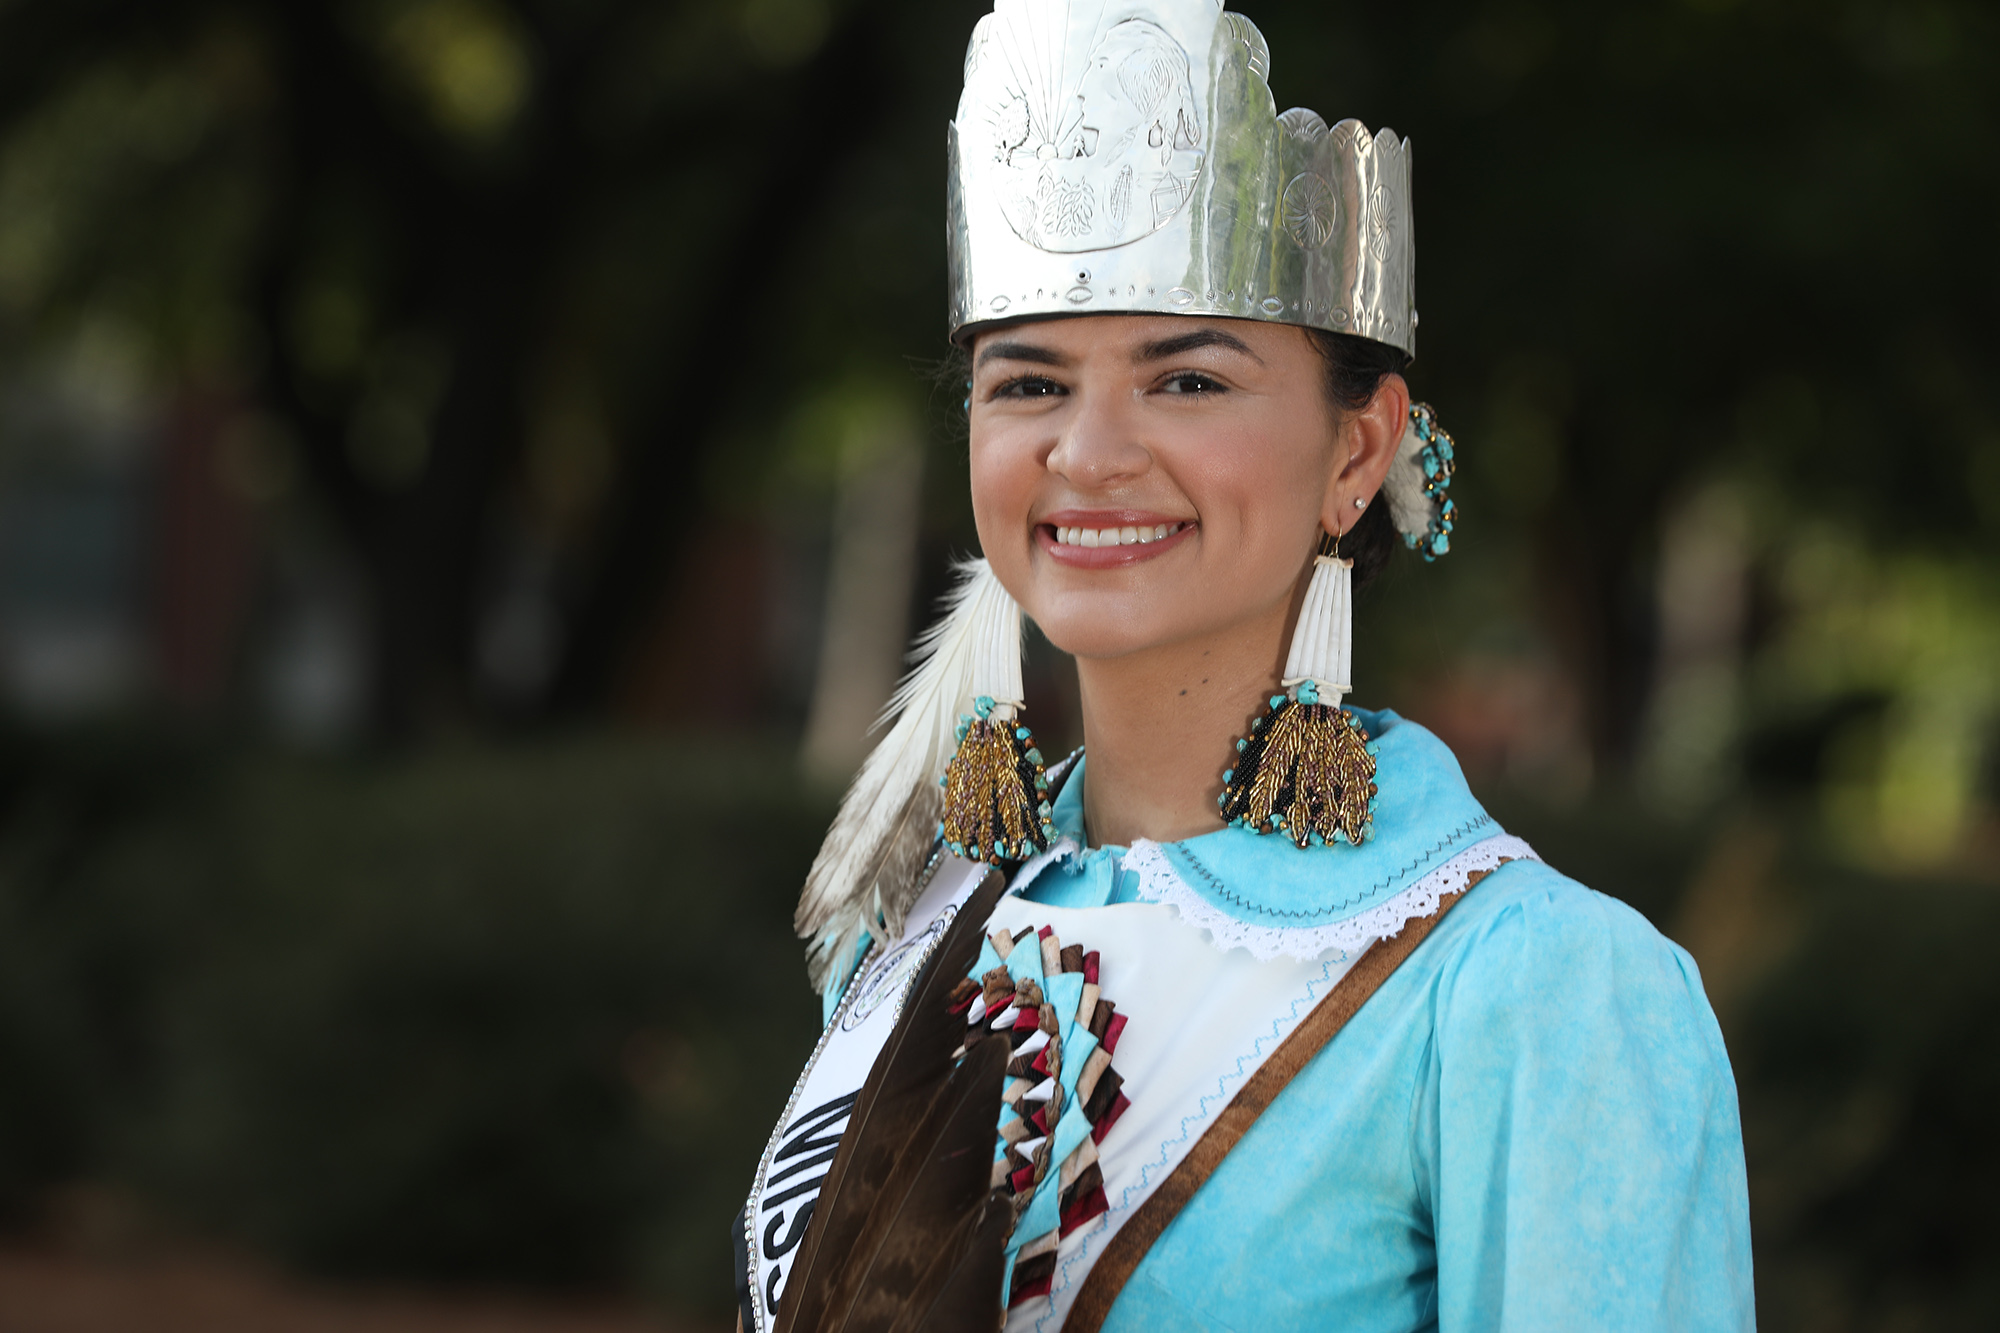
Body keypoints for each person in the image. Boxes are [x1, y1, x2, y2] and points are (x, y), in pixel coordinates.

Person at [736, 2, 1755, 1330]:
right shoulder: (917, 912)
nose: (1088, 453)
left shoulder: (1534, 986)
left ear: (1356, 452)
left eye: (1190, 382)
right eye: (1028, 383)